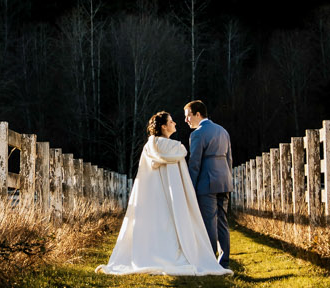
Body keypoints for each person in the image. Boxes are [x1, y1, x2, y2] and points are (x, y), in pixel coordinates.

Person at [97, 111, 229, 276]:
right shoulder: (176, 149)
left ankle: (154, 254)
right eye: (171, 121)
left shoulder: (148, 148)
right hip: (174, 197)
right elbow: (179, 177)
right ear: (164, 127)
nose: (175, 124)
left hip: (153, 197)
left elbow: (144, 175)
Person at [183, 100, 233, 266]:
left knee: (209, 222)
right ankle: (224, 261)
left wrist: (189, 186)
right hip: (224, 181)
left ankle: (210, 260)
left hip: (207, 183)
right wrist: (228, 179)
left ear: (198, 114)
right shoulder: (223, 131)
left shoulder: (198, 134)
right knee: (222, 221)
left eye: (188, 116)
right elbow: (229, 159)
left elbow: (195, 163)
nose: (186, 120)